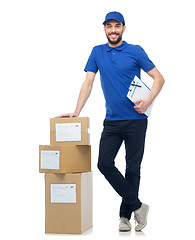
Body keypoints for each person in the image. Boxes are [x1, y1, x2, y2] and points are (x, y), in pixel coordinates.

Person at [55, 11, 165, 232]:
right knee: (104, 164)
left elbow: (159, 78)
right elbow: (88, 83)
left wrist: (148, 101)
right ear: (104, 29)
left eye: (117, 26)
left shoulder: (135, 51)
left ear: (124, 28)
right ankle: (138, 206)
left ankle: (125, 217)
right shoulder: (97, 52)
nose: (113, 30)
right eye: (109, 26)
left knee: (132, 168)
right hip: (112, 121)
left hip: (136, 120)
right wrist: (76, 111)